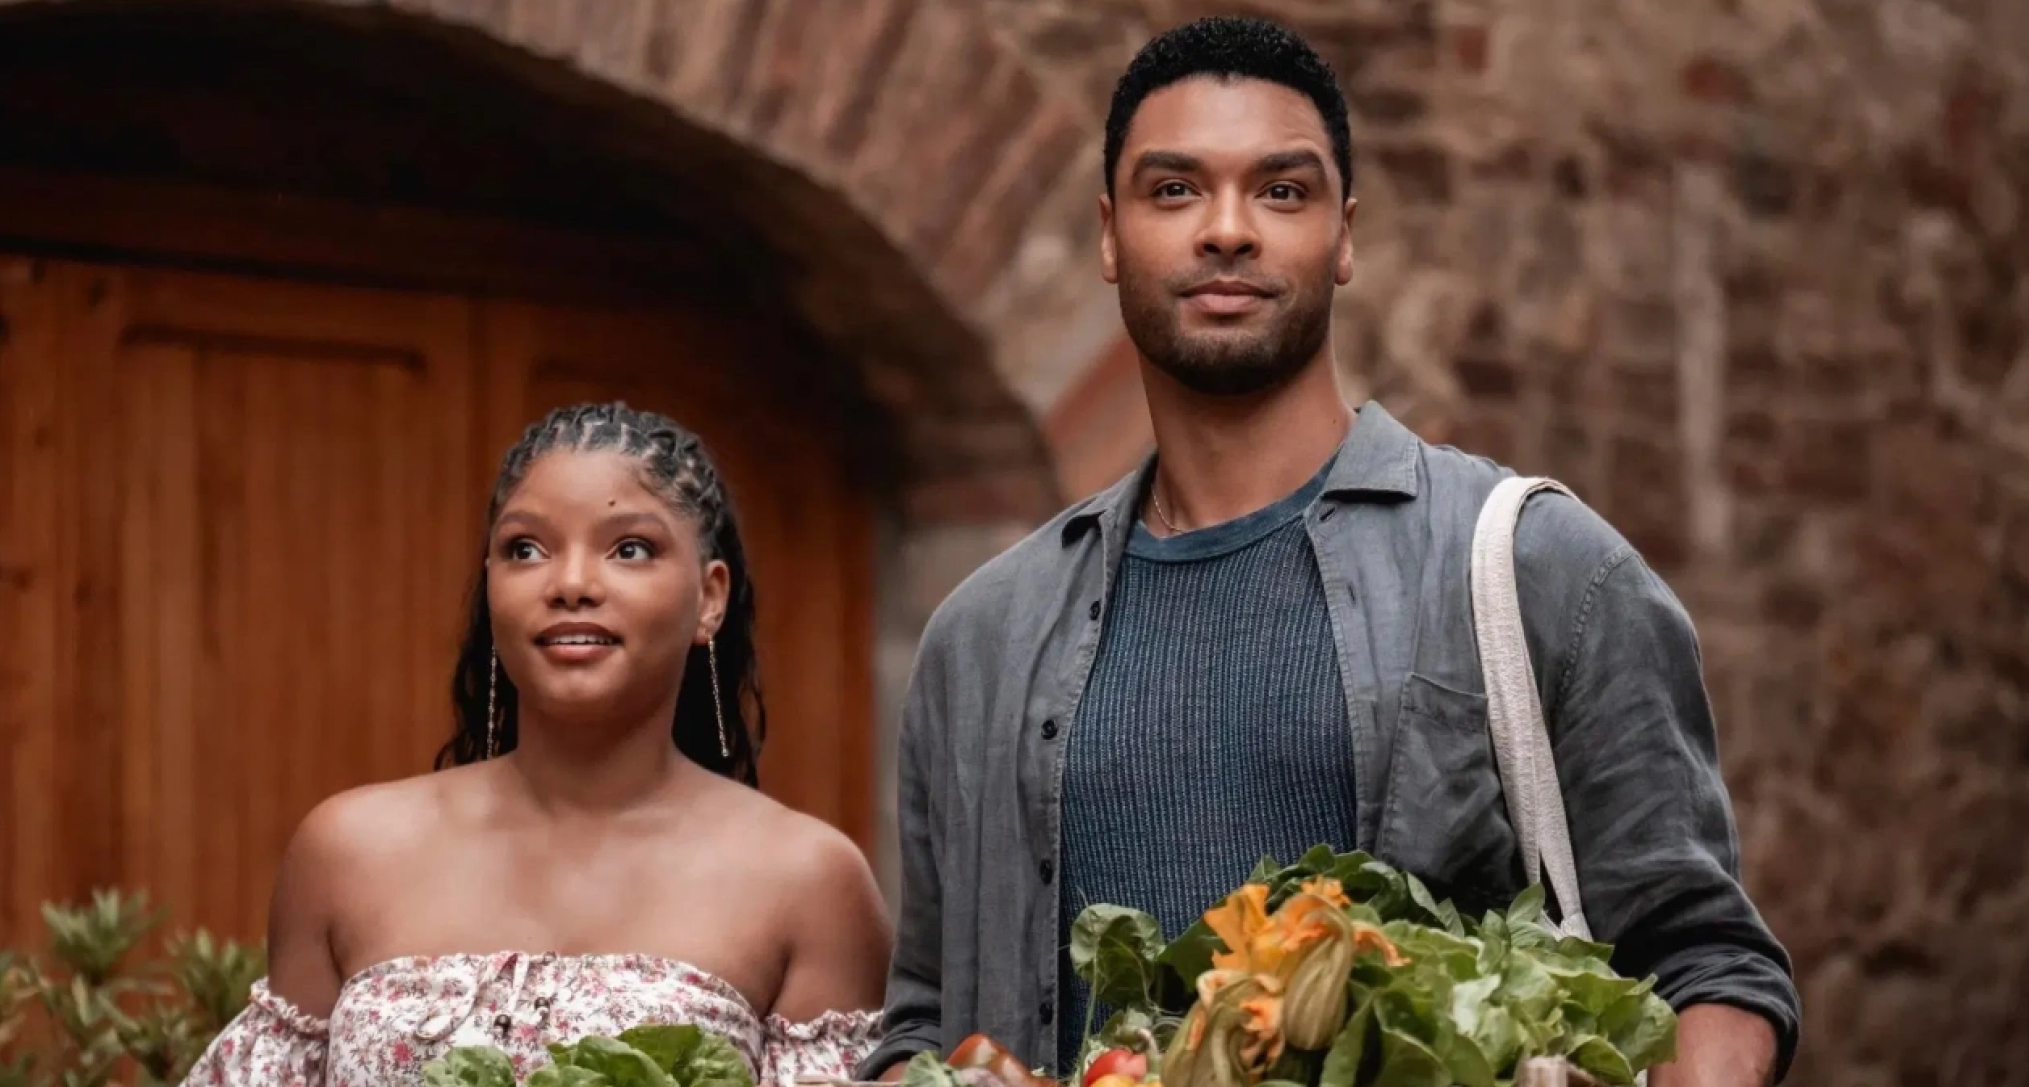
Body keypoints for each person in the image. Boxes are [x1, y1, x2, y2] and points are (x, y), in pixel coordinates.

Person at [862, 15, 1799, 1087]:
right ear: (1110, 234)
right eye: (1174, 190)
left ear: (1344, 236)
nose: (1226, 230)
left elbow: (1709, 965)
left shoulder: (1529, 566)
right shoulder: (981, 637)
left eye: (1281, 191)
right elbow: (921, 1027)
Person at [189, 403, 891, 1086]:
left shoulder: (808, 881)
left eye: (630, 548)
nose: (571, 583)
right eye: (525, 548)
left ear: (709, 598)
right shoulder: (346, 850)